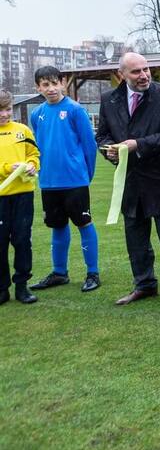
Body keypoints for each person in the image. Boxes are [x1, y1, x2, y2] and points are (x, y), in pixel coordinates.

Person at [96, 52, 160, 306]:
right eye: (136, 71)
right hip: (130, 180)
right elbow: (102, 136)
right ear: (121, 75)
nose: (143, 75)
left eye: (146, 69)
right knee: (135, 237)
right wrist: (111, 152)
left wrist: (137, 145)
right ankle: (144, 284)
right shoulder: (109, 99)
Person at [29, 66, 101, 293]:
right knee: (57, 226)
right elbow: (40, 146)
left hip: (75, 181)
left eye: (54, 83)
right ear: (38, 87)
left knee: (83, 223)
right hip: (49, 182)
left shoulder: (75, 110)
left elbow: (90, 145)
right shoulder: (36, 113)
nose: (50, 89)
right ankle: (59, 272)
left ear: (62, 83)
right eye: (45, 84)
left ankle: (93, 273)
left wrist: (85, 175)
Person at [0, 89, 40, 305]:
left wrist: (33, 166)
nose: (4, 115)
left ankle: (22, 286)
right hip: (1, 198)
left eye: (7, 110)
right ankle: (2, 288)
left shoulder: (22, 130)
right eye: (0, 111)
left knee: (22, 240)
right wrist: (7, 168)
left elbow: (34, 154)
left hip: (23, 195)